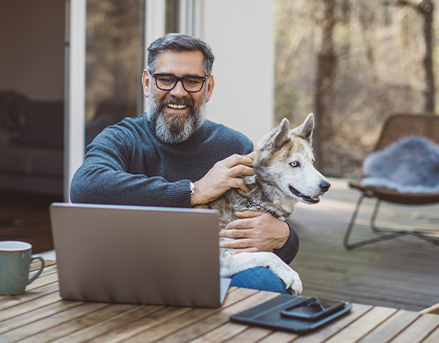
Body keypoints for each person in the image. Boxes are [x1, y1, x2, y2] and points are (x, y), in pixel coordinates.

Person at [70, 33, 299, 294]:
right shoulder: (122, 138)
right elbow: (85, 186)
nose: (178, 92)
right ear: (147, 83)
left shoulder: (236, 148)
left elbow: (267, 227)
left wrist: (284, 236)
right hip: (134, 267)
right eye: (165, 79)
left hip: (212, 271)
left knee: (265, 284)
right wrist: (195, 191)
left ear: (208, 88)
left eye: (192, 81)